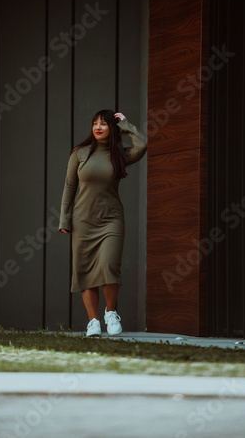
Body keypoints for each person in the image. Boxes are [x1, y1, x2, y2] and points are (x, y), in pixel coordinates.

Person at [59, 109, 147, 337]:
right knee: (85, 271)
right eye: (94, 123)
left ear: (112, 128)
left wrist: (126, 125)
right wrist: (64, 219)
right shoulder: (80, 153)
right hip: (82, 220)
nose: (98, 127)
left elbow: (142, 146)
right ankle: (93, 321)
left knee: (109, 265)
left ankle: (110, 312)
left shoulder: (120, 154)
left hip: (111, 220)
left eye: (104, 123)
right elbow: (70, 187)